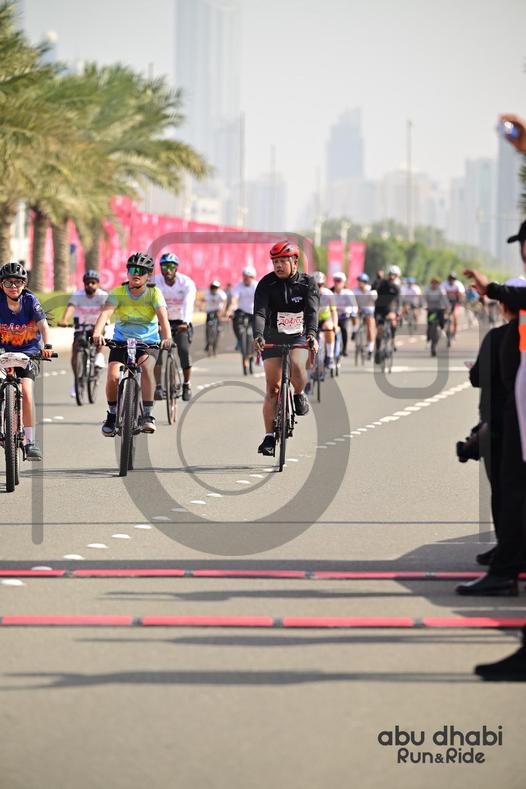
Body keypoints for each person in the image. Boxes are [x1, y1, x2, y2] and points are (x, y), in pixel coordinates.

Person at [92, 252, 171, 437]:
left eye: (141, 271)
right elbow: (105, 314)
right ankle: (112, 415)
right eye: (133, 270)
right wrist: (97, 333)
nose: (136, 274)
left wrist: (167, 338)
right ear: (127, 272)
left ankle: (148, 415)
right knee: (113, 376)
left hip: (147, 342)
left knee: (146, 370)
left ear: (148, 276)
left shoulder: (154, 293)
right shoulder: (118, 292)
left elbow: (163, 319)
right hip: (121, 341)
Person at [253, 241, 319, 456]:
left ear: (295, 261)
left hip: (298, 335)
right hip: (272, 335)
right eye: (275, 262)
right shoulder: (266, 284)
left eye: (282, 261)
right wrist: (258, 335)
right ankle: (269, 437)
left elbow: (312, 312)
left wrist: (312, 335)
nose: (278, 266)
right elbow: (260, 312)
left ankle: (299, 393)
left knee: (297, 365)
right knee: (273, 388)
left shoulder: (308, 283)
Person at [0, 261, 53, 460]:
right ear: (1, 284)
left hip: (28, 354)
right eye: (8, 282)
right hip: (4, 354)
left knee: (27, 393)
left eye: (18, 282)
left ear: (24, 284)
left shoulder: (30, 301)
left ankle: (30, 441)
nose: (13, 286)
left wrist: (47, 346)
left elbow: (44, 326)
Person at [153, 253, 195, 402]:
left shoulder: (186, 283)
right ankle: (158, 386)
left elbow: (188, 303)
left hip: (180, 322)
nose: (168, 270)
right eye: (165, 267)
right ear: (161, 268)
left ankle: (186, 384)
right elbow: (151, 303)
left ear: (176, 268)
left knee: (184, 351)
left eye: (171, 266)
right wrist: (155, 323)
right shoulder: (155, 282)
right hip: (161, 322)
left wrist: (186, 322)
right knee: (156, 354)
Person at [58, 270, 108, 397]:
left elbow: (105, 310)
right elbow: (70, 307)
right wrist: (64, 320)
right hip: (81, 326)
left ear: (98, 284)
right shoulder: (78, 295)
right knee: (76, 348)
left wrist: (101, 324)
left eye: (93, 283)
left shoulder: (102, 295)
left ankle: (99, 356)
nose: (90, 285)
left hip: (97, 325)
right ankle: (77, 381)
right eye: (87, 283)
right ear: (84, 284)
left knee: (99, 336)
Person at [228, 266, 258, 361]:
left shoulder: (257, 286)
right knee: (235, 322)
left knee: (258, 329)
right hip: (241, 311)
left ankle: (256, 344)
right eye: (244, 276)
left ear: (253, 277)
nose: (246, 279)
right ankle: (240, 340)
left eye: (248, 277)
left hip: (254, 311)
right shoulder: (238, 286)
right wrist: (230, 310)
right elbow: (234, 300)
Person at [374, 265, 401, 363]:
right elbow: (375, 289)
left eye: (394, 275)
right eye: (390, 275)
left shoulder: (397, 287)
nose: (392, 277)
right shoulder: (382, 284)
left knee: (393, 322)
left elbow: (398, 301)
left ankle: (392, 340)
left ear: (397, 276)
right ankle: (377, 351)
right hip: (380, 309)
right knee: (380, 330)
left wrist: (396, 312)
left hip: (391, 309)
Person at [312, 271, 338, 370]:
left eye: (321, 285)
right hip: (312, 320)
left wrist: (335, 325)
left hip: (325, 319)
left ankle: (329, 357)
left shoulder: (329, 294)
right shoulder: (307, 293)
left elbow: (333, 311)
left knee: (329, 328)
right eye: (316, 285)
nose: (319, 287)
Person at [331, 272, 357, 357]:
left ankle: (344, 348)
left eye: (339, 281)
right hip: (334, 315)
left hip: (344, 315)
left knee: (344, 328)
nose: (337, 283)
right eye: (335, 280)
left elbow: (354, 305)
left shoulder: (348, 293)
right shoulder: (330, 292)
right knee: (330, 330)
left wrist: (353, 313)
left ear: (343, 282)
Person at [352, 273, 377, 359]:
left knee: (370, 327)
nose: (359, 283)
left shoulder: (371, 290)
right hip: (359, 310)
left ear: (365, 282)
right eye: (359, 281)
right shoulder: (355, 290)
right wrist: (357, 308)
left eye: (361, 281)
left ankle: (370, 349)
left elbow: (374, 300)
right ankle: (355, 329)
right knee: (353, 314)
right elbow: (353, 301)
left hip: (369, 311)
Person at [423, 277, 449, 353]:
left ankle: (443, 332)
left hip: (440, 309)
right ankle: (429, 340)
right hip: (431, 310)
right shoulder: (427, 290)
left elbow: (445, 299)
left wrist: (447, 307)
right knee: (430, 324)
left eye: (436, 283)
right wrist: (425, 306)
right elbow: (424, 299)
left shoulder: (441, 290)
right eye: (433, 283)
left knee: (442, 323)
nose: (434, 285)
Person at [200, 280, 227, 352]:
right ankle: (208, 343)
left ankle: (219, 329)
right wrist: (201, 306)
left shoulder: (221, 293)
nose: (214, 289)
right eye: (212, 287)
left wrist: (222, 310)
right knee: (207, 328)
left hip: (218, 311)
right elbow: (202, 301)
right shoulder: (207, 293)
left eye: (215, 287)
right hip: (209, 311)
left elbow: (224, 301)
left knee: (218, 327)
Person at [441, 272, 465, 339]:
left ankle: (454, 333)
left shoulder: (458, 284)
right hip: (446, 303)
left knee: (455, 318)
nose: (451, 280)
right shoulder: (444, 284)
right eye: (450, 279)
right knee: (443, 316)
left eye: (453, 279)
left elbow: (462, 293)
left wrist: (459, 297)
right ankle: (444, 327)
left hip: (456, 303)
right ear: (448, 279)